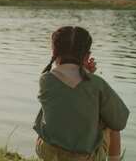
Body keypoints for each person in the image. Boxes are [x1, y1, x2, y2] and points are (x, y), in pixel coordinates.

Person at [34, 26, 129, 161]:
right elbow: (119, 122)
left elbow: (68, 94)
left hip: (47, 152)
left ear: (54, 51)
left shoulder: (45, 79)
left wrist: (85, 72)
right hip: (84, 158)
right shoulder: (97, 84)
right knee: (111, 120)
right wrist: (88, 74)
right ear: (87, 55)